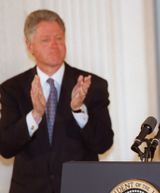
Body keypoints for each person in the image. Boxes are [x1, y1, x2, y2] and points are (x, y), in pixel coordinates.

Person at [0, 9, 114, 193]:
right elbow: (5, 147)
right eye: (46, 40)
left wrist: (78, 110)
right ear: (30, 46)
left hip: (81, 189)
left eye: (59, 38)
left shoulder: (91, 85)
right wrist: (35, 115)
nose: (54, 45)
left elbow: (103, 143)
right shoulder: (12, 89)